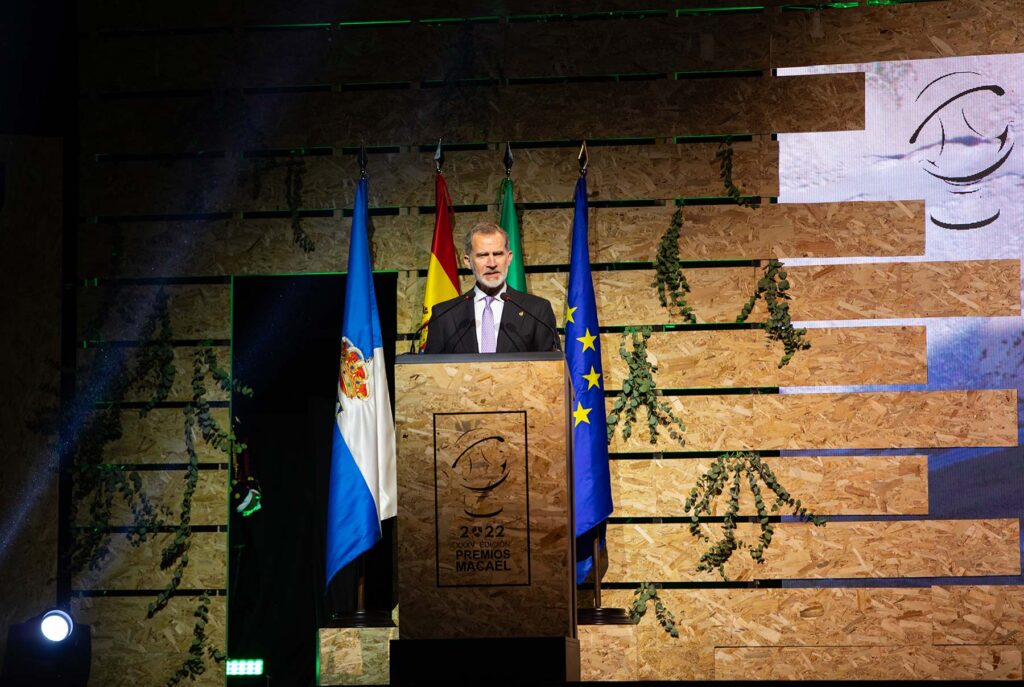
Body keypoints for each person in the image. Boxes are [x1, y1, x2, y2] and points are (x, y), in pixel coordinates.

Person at [424, 222, 559, 354]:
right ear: (468, 261)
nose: (492, 263)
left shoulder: (537, 311)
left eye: (498, 254)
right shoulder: (444, 314)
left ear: (509, 258)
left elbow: (551, 369)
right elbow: (431, 371)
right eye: (483, 255)